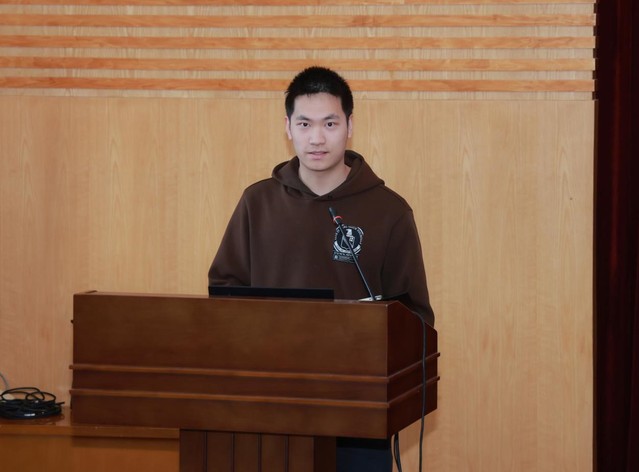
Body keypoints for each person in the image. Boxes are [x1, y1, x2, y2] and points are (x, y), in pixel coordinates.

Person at [208, 66, 434, 471]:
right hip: (271, 407)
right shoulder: (257, 203)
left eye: (330, 124)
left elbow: (415, 316)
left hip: (358, 410)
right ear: (288, 128)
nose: (316, 138)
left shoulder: (389, 211)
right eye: (304, 124)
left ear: (350, 126)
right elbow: (224, 294)